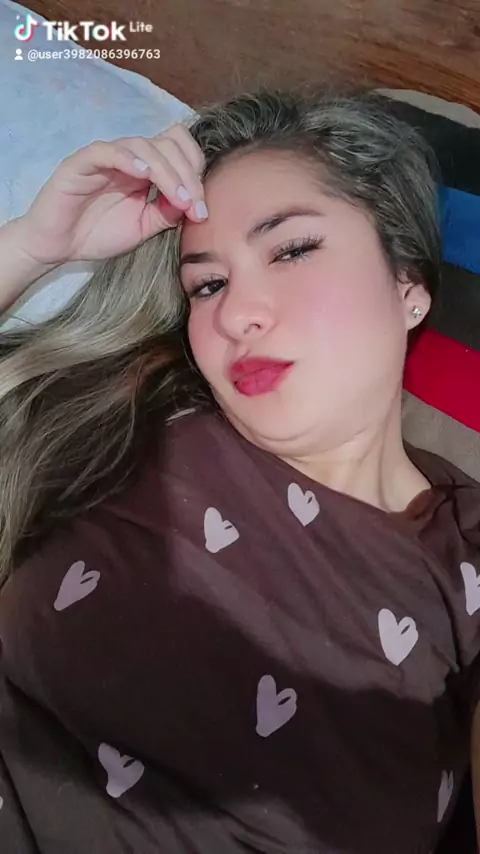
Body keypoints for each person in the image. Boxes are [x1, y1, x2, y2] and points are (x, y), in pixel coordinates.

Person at [0, 86, 479, 854]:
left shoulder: (466, 552)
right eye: (207, 283)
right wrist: (33, 247)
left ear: (408, 286)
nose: (234, 313)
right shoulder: (135, 418)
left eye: (291, 250)